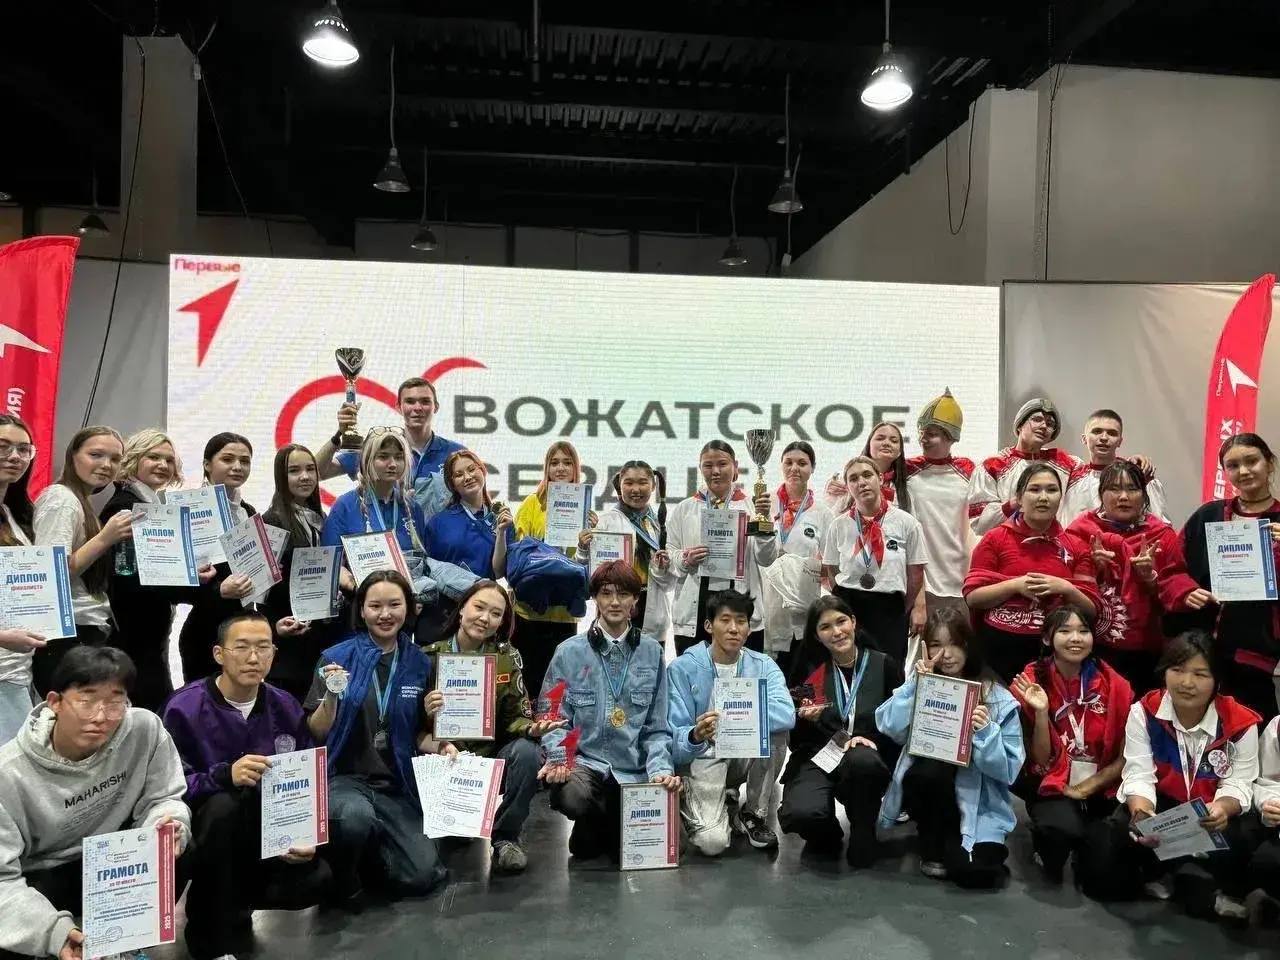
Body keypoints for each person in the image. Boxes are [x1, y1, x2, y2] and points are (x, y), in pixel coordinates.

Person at [0, 645, 190, 960]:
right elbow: (2, 878)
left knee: (181, 847)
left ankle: (126, 943)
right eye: (86, 701)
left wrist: (167, 823)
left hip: (113, 862)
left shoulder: (143, 729)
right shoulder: (8, 773)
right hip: (44, 873)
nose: (101, 717)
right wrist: (52, 932)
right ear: (55, 702)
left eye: (115, 702)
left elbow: (165, 796)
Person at [162, 613, 331, 960]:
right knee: (223, 807)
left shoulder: (284, 704)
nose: (253, 658)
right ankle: (210, 929)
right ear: (219, 654)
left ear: (274, 654)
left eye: (263, 648)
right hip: (207, 835)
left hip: (266, 829)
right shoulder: (182, 708)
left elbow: (303, 778)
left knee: (317, 878)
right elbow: (167, 787)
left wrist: (306, 834)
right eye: (241, 647)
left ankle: (238, 906)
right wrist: (224, 776)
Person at [1088, 631, 1261, 919]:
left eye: (1200, 674)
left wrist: (1222, 808)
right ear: (1164, 672)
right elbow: (1139, 773)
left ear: (1216, 680)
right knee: (1114, 852)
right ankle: (1157, 871)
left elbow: (1239, 783)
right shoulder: (1144, 712)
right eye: (1177, 670)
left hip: (1211, 812)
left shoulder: (1241, 723)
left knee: (1243, 834)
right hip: (1162, 804)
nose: (1187, 683)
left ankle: (1226, 888)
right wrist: (1142, 813)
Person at [305, 570, 449, 900]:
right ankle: (345, 874)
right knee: (353, 819)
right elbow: (316, 731)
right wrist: (331, 698)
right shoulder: (335, 658)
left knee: (422, 875)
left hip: (396, 784)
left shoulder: (419, 662)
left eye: (394, 604)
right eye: (375, 606)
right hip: (345, 779)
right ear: (362, 609)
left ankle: (372, 860)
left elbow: (418, 735)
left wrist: (443, 745)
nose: (385, 614)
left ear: (408, 608)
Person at [538, 561, 679, 862]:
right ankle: (601, 817)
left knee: (651, 845)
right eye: (606, 593)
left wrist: (660, 771)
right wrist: (560, 758)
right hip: (586, 766)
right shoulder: (568, 652)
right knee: (572, 797)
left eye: (623, 594)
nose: (615, 602)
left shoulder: (652, 652)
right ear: (595, 599)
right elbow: (552, 717)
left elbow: (657, 727)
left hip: (634, 770)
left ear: (635, 600)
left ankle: (606, 821)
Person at [423, 580, 565, 873]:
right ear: (461, 608)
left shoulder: (505, 658)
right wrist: (427, 713)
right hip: (443, 759)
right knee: (445, 848)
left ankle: (505, 837)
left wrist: (531, 729)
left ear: (502, 622)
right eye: (479, 607)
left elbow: (516, 717)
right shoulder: (428, 657)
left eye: (496, 614)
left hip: (489, 760)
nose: (485, 618)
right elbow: (410, 728)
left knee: (528, 752)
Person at [876, 608, 1024, 887]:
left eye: (955, 643)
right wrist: (915, 687)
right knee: (927, 771)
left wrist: (986, 732)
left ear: (968, 645)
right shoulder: (922, 682)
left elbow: (1008, 771)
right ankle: (931, 836)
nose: (946, 654)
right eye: (936, 645)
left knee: (973, 874)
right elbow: (889, 727)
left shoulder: (998, 698)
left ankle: (969, 842)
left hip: (978, 803)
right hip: (933, 791)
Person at [1009, 605, 1133, 885]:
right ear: (1047, 638)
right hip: (1050, 780)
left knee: (1103, 872)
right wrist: (1041, 712)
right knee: (1058, 835)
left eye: (1083, 631)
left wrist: (1086, 788)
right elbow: (1039, 760)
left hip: (1102, 784)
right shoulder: (1031, 681)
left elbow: (1126, 756)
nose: (1075, 638)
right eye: (1065, 631)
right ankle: (1046, 840)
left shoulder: (1116, 685)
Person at [778, 596, 904, 868]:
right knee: (802, 813)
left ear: (854, 622)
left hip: (866, 756)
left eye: (841, 622)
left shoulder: (884, 665)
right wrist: (805, 720)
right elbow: (797, 740)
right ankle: (826, 832)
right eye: (825, 627)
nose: (836, 632)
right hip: (819, 753)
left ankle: (863, 828)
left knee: (863, 760)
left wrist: (871, 738)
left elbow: (899, 724)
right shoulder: (810, 670)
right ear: (816, 635)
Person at [666, 590, 795, 855]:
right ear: (708, 625)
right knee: (712, 844)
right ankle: (695, 800)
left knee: (776, 734)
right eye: (725, 620)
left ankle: (752, 814)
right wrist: (695, 734)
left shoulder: (764, 665)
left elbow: (786, 714)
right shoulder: (682, 668)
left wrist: (737, 718)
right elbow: (673, 733)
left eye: (741, 621)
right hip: (704, 755)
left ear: (749, 628)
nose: (734, 628)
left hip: (744, 751)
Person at [1164, 433, 1280, 720]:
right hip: (1200, 650)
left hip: (1257, 653)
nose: (1244, 471)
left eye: (1252, 461)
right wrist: (1185, 591)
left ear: (1269, 463)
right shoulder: (1208, 516)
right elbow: (1171, 569)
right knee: (1195, 729)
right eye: (1233, 465)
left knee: (1252, 729)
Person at [99, 428, 216, 712]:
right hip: (131, 636)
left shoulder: (150, 504)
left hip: (150, 635)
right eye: (153, 457)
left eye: (169, 460)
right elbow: (129, 579)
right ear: (133, 459)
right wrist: (192, 581)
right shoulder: (124, 507)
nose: (163, 465)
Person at [963, 461, 1099, 684]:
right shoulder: (995, 538)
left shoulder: (1077, 546)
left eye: (1051, 490)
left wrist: (1065, 588)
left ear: (1061, 498)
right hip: (997, 656)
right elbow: (973, 597)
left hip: (1055, 659)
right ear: (1019, 497)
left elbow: (1091, 610)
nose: (1043, 497)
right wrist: (1015, 585)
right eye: (1034, 489)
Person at [1066, 460, 1188, 688]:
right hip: (1088, 644)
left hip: (1146, 649)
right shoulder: (1080, 530)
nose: (1123, 497)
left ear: (1144, 495)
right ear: (1101, 494)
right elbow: (1066, 589)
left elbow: (1174, 594)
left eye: (1132, 489)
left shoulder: (1162, 535)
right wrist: (1093, 569)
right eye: (1114, 489)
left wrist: (1149, 578)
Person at [31, 427, 130, 693]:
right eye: (96, 455)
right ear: (73, 456)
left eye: (115, 459)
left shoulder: (79, 500)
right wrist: (105, 538)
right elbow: (51, 574)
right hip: (68, 635)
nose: (106, 465)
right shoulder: (62, 499)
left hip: (82, 631)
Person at [667, 440, 777, 655]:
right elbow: (671, 552)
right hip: (695, 611)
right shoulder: (684, 509)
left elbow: (766, 559)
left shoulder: (753, 507)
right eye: (708, 465)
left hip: (741, 607)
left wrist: (764, 525)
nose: (715, 471)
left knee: (742, 675)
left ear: (735, 467)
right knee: (693, 674)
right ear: (700, 468)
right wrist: (685, 558)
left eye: (722, 464)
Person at [263, 443, 354, 701]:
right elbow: (261, 592)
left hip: (324, 641)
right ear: (281, 477)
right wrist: (274, 627)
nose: (304, 477)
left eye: (310, 469)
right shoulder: (271, 522)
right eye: (294, 471)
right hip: (290, 647)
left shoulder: (321, 518)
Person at [821, 455, 926, 663]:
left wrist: (900, 607)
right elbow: (831, 569)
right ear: (848, 487)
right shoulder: (838, 525)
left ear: (880, 478)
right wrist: (843, 600)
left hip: (889, 607)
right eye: (853, 479)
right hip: (849, 606)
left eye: (867, 475)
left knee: (890, 668)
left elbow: (916, 573)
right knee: (848, 665)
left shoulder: (907, 523)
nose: (861, 482)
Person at [510, 441, 594, 697]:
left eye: (567, 463)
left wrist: (590, 540)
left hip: (564, 614)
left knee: (558, 688)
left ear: (576, 468)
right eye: (554, 463)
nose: (560, 468)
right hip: (528, 613)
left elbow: (587, 569)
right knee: (528, 685)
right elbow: (519, 553)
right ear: (546, 468)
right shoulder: (531, 504)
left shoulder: (585, 511)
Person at [317, 376, 465, 519]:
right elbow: (319, 472)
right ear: (399, 407)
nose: (418, 407)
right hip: (389, 533)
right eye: (410, 401)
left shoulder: (455, 453)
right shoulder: (376, 448)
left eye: (425, 401)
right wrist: (338, 435)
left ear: (436, 407)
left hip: (438, 535)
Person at [179, 432, 260, 684]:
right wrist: (218, 590)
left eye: (244, 461)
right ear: (207, 464)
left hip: (242, 627)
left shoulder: (248, 512)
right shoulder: (187, 510)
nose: (237, 467)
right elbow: (170, 583)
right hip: (204, 629)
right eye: (227, 459)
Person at [761, 441, 833, 676]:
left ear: (812, 468)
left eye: (802, 463)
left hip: (803, 611)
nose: (794, 468)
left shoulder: (823, 513)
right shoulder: (764, 504)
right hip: (767, 606)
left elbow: (832, 565)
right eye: (789, 462)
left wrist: (807, 569)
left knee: (801, 684)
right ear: (781, 465)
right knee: (769, 681)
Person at [579, 460, 673, 637]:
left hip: (653, 615)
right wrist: (583, 548)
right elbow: (590, 576)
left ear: (653, 486)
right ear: (619, 487)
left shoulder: (660, 525)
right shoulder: (605, 522)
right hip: (615, 606)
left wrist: (662, 568)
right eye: (629, 483)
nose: (635, 489)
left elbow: (669, 583)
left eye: (642, 482)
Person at [905, 389, 977, 617]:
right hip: (921, 577)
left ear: (950, 437)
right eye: (921, 432)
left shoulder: (969, 471)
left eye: (932, 434)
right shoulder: (906, 470)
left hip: (960, 572)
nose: (923, 438)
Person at [967, 397, 1082, 536]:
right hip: (1009, 545)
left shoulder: (1067, 464)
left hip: (1053, 544)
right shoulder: (992, 466)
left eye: (1050, 424)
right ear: (1020, 425)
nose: (1044, 426)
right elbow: (980, 525)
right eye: (1037, 419)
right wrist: (1015, 503)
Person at [0, 414, 45, 742]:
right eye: (3, 447)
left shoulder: (14, 513)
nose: (15, 457)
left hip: (17, 671)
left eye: (23, 449)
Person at [1061, 409, 1167, 523]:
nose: (1104, 438)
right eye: (1097, 431)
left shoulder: (1138, 476)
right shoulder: (1069, 477)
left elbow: (1158, 524)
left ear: (1120, 441)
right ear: (1084, 439)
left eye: (1112, 433)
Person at [424, 449, 514, 580]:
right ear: (452, 484)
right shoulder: (438, 523)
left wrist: (501, 533)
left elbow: (499, 572)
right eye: (459, 475)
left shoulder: (502, 519)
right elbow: (430, 572)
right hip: (450, 593)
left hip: (486, 592)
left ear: (482, 471)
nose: (467, 477)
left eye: (471, 469)